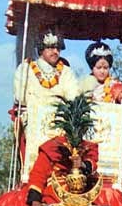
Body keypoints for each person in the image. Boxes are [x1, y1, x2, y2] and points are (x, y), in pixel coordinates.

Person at [11, 29, 80, 163]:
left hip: (60, 121)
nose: (55, 52)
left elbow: (73, 98)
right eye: (51, 48)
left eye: (58, 48)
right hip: (33, 119)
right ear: (41, 49)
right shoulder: (25, 69)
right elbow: (20, 98)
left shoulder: (66, 72)